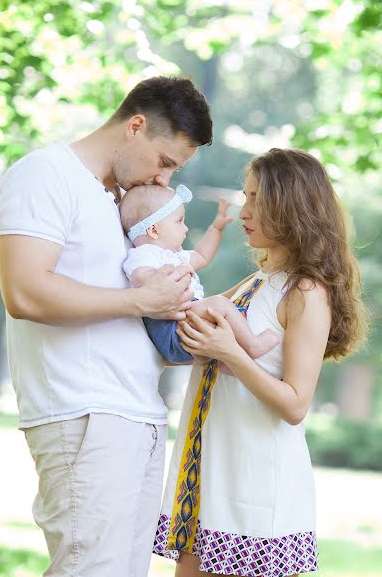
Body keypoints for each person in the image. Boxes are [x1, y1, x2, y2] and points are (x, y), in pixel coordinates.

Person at [0, 76, 213, 577]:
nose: (163, 181)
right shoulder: (46, 174)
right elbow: (24, 291)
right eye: (165, 163)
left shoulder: (120, 203)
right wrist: (142, 298)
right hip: (85, 415)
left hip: (139, 415)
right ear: (135, 126)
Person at [153, 148, 367, 577]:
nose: (244, 210)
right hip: (210, 479)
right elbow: (197, 344)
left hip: (253, 494)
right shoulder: (258, 281)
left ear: (290, 208)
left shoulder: (306, 292)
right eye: (245, 196)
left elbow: (295, 404)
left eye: (256, 199)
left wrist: (229, 352)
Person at [120, 183, 280, 363]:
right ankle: (254, 345)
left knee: (222, 321)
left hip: (185, 323)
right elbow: (140, 277)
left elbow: (202, 256)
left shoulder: (174, 255)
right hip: (171, 327)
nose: (185, 228)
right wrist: (162, 281)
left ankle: (227, 362)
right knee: (220, 304)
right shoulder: (144, 254)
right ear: (154, 230)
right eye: (179, 221)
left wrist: (216, 228)